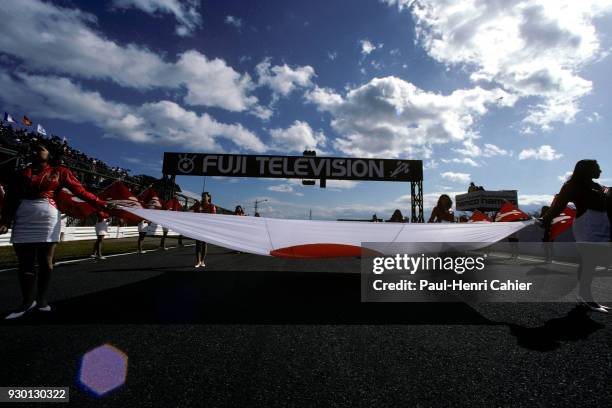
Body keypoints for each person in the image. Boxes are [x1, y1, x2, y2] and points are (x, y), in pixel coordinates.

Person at [0, 141, 110, 319]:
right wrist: (4, 220)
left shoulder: (61, 171)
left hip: (48, 217)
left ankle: (42, 299)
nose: (35, 151)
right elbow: (10, 198)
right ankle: (27, 301)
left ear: (49, 153)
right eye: (33, 149)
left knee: (45, 260)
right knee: (25, 263)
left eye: (40, 149)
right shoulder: (20, 173)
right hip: (23, 217)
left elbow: (81, 191)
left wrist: (101, 203)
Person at [543, 159, 611, 313]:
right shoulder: (571, 186)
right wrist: (546, 219)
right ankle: (586, 298)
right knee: (589, 261)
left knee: (594, 261)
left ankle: (584, 297)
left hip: (603, 223)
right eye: (597, 168)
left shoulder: (599, 186)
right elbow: (558, 206)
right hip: (586, 224)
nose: (600, 171)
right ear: (586, 169)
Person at [193, 192, 216, 268]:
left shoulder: (212, 206)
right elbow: (190, 212)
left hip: (206, 227)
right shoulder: (198, 204)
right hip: (197, 227)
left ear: (209, 197)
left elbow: (213, 218)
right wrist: (197, 207)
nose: (203, 197)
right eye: (202, 196)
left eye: (205, 196)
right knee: (198, 244)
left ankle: (202, 261)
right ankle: (198, 261)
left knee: (204, 244)